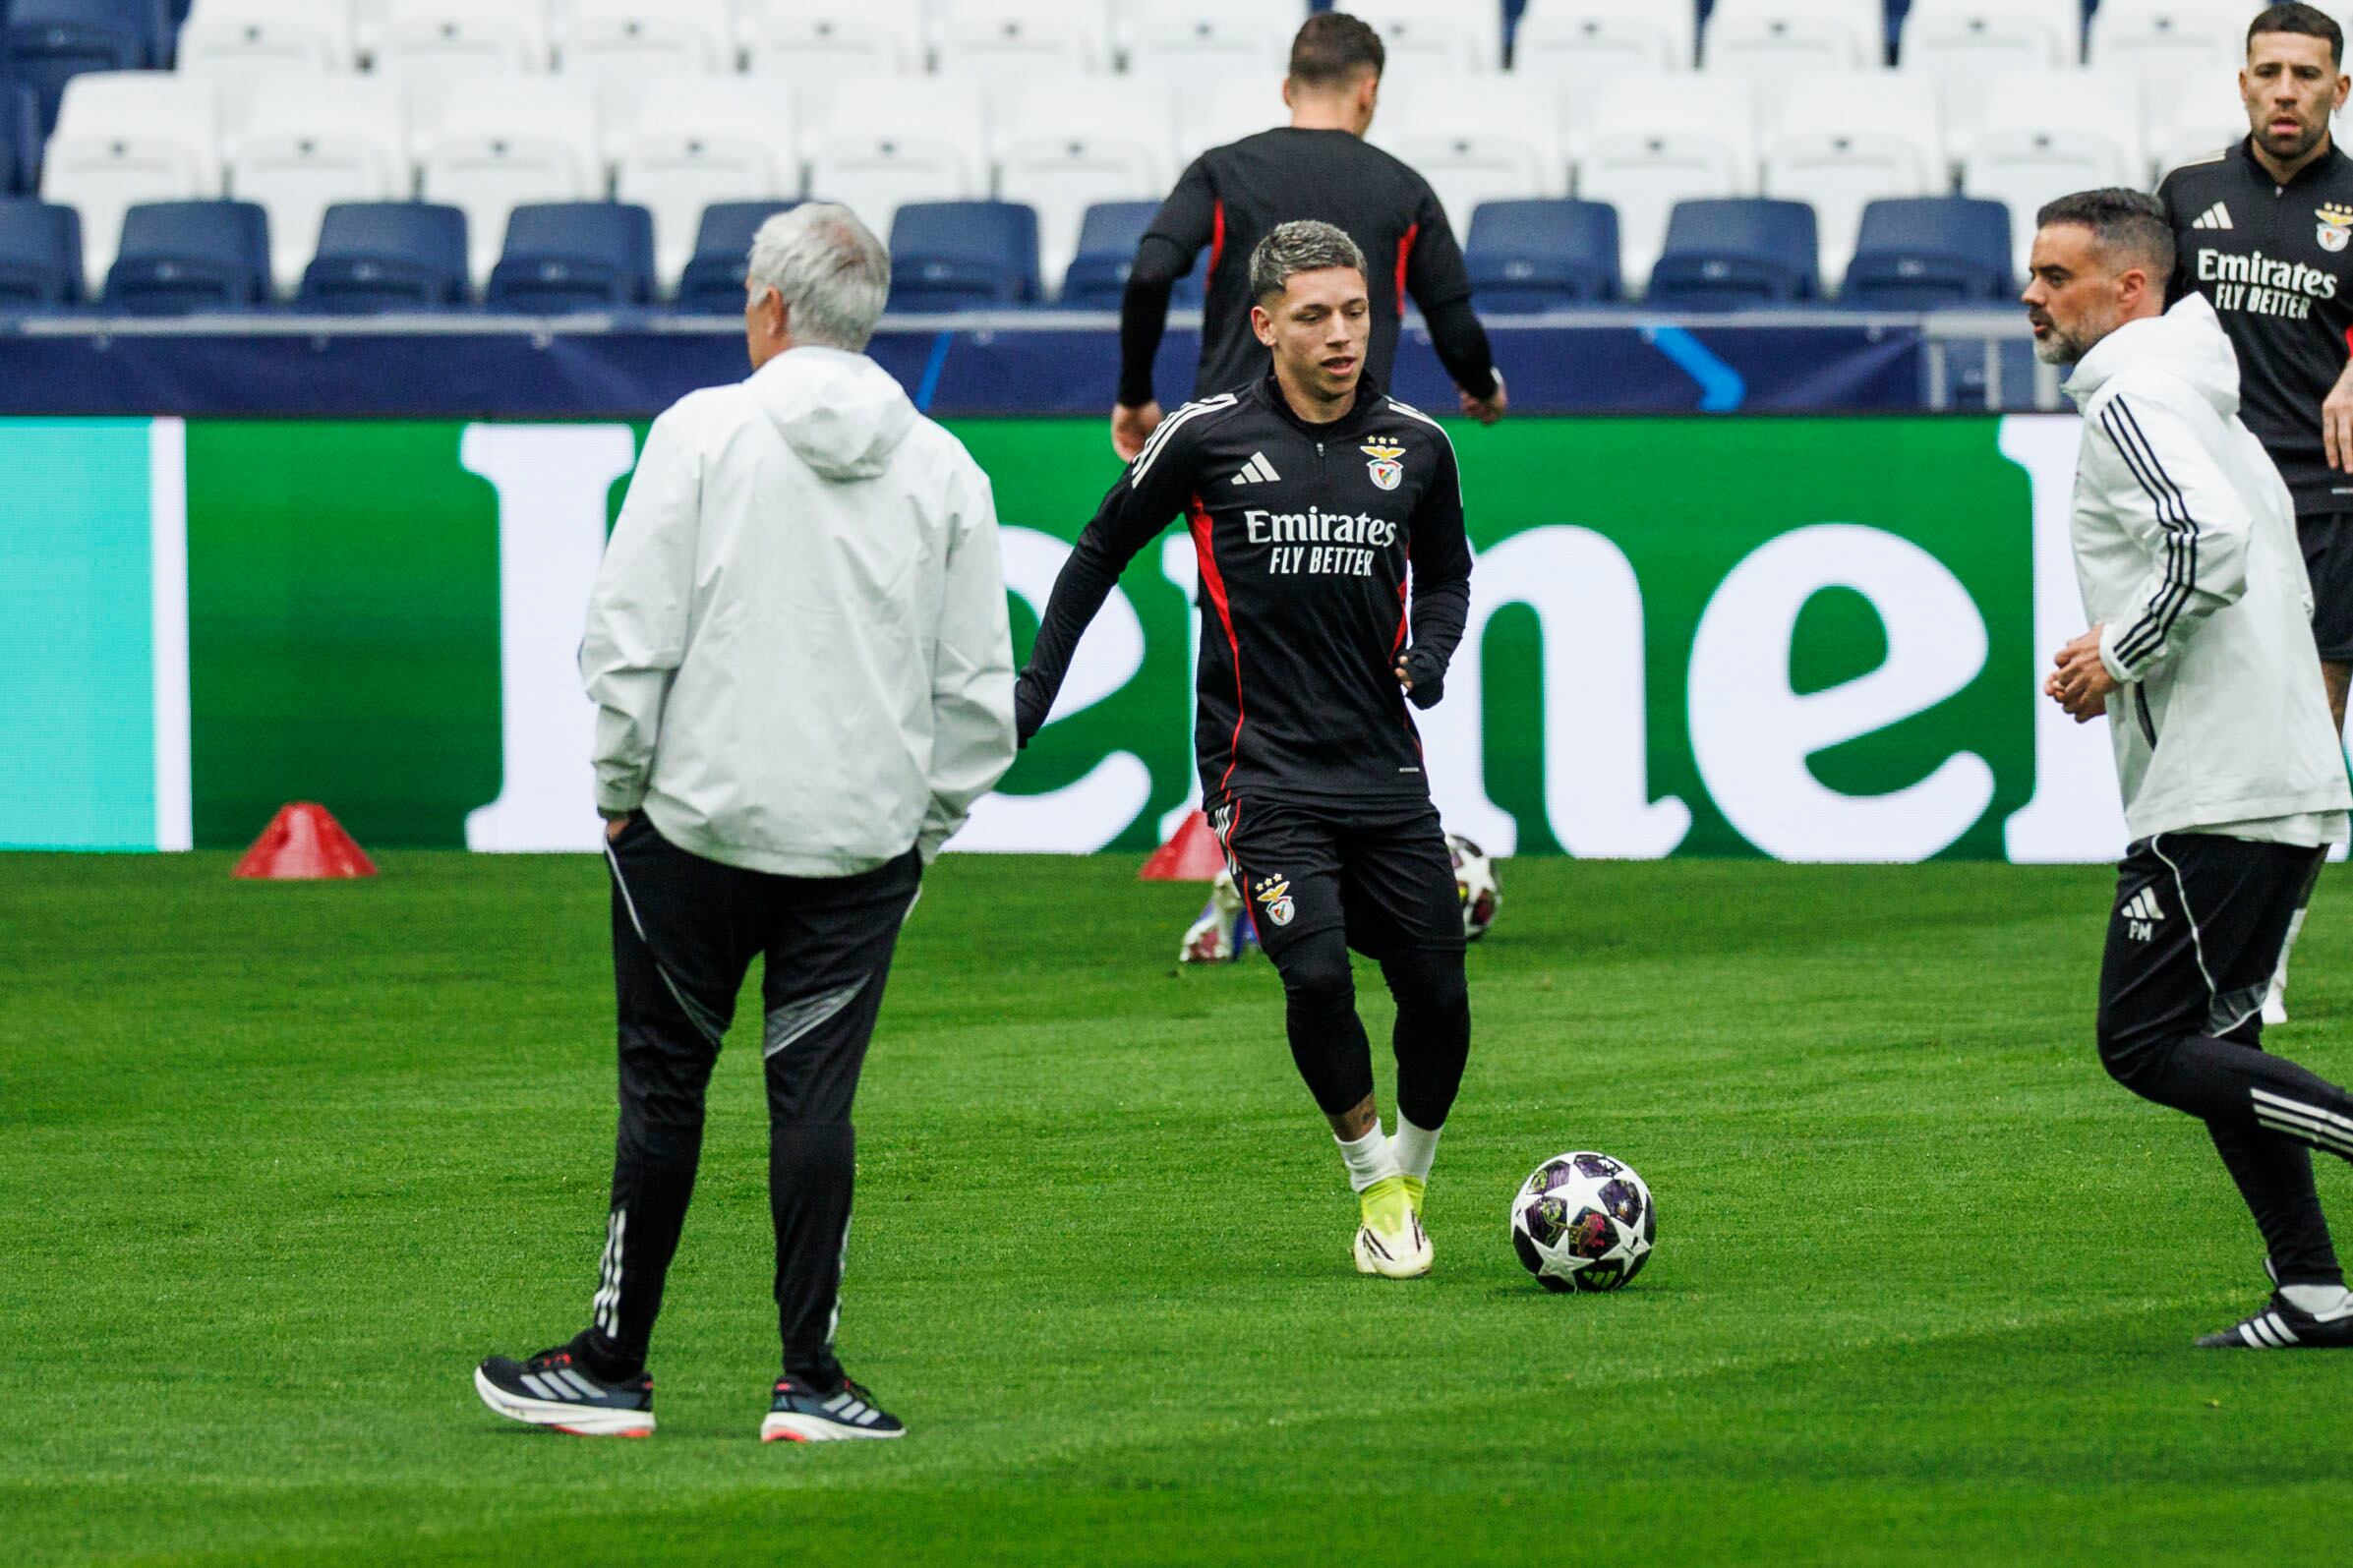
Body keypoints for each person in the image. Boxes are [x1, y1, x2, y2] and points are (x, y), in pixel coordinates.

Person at [473, 204, 1018, 1437]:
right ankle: (811, 1379)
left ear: (767, 306)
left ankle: (614, 1366)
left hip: (692, 833)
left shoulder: (701, 432)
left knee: (664, 1095)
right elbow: (980, 691)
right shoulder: (944, 466)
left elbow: (627, 638)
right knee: (814, 1105)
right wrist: (918, 827)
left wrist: (618, 790)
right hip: (856, 847)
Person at [1023, 219, 1473, 1279]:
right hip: (1255, 766)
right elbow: (1096, 550)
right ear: (1263, 324)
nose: (1339, 334)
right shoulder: (1204, 435)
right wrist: (1035, 686)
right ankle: (1374, 1186)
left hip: (1383, 767)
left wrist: (1433, 652)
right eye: (1313, 315)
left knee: (1440, 998)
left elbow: (1448, 573)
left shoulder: (1417, 443)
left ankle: (1410, 1169)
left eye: (1355, 312)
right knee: (1313, 975)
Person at [2029, 188, 2353, 1349]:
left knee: (2144, 1040)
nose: (2030, 293)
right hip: (2267, 764)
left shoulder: (2134, 396)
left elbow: (2204, 542)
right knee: (2222, 1038)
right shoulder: (2198, 392)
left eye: (2055, 275)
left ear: (2129, 288)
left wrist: (2115, 653)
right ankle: (2314, 1289)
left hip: (2223, 778)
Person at [2156, 2, 2353, 1021]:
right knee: (2208, 728)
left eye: (2305, 74)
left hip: (2325, 502)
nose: (2285, 91)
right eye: (2267, 72)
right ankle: (2197, 930)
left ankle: (2266, 953)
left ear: (2338, 89)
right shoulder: (2188, 195)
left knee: (2307, 737)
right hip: (2211, 500)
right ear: (2241, 84)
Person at [1110, 10, 1506, 462]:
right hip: (1354, 451)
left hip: (1230, 450)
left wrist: (1135, 394)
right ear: (1369, 90)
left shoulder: (1219, 171)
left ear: (1287, 90)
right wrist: (1484, 387)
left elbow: (1149, 274)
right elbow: (1453, 325)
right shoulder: (1405, 188)